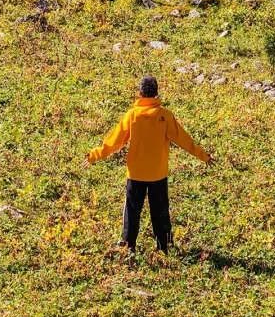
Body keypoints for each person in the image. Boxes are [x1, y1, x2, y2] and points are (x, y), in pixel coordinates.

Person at [86, 75, 214, 257]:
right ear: (157, 94)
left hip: (136, 173)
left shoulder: (132, 116)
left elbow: (114, 142)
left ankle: (128, 246)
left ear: (139, 94)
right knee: (160, 210)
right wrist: (203, 156)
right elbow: (183, 140)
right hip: (157, 174)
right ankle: (164, 246)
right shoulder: (165, 115)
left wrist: (94, 155)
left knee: (131, 210)